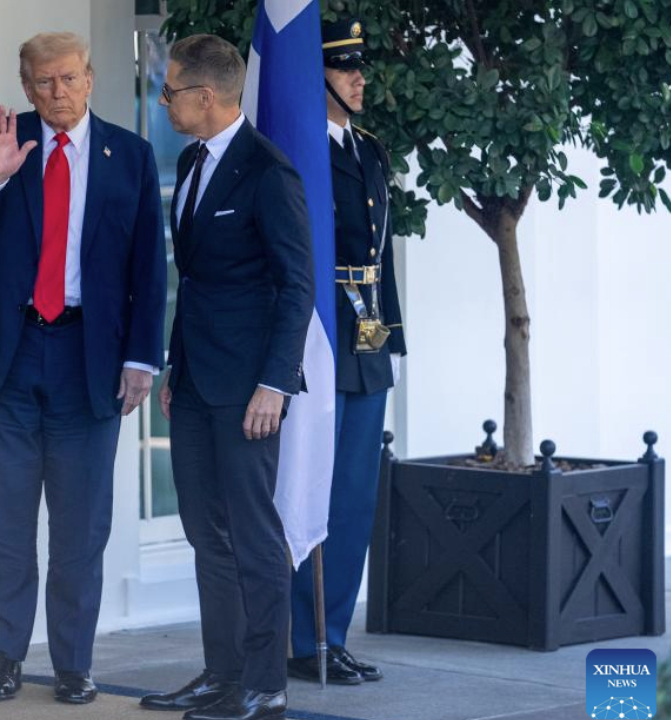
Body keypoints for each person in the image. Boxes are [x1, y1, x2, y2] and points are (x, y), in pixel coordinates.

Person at [0, 31, 166, 706]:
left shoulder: (130, 155)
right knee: (4, 522)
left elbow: (149, 270)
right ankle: (3, 660)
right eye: (42, 82)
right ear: (27, 85)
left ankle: (73, 664)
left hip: (88, 358)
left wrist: (141, 359)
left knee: (80, 526)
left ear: (91, 79)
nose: (56, 92)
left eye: (67, 78)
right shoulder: (2, 137)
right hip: (8, 354)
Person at [139, 34, 313, 720]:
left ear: (204, 96)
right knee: (204, 530)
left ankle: (265, 680)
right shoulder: (190, 161)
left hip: (249, 392)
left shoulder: (268, 172)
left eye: (171, 89)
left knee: (251, 532)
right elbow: (200, 283)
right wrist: (177, 366)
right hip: (198, 380)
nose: (164, 101)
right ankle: (223, 672)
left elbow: (296, 286)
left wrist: (275, 382)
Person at [287, 19, 407, 686]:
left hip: (361, 345)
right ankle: (301, 638)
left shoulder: (369, 151)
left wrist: (384, 342)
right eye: (345, 67)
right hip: (314, 340)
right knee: (311, 490)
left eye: (361, 66)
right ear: (317, 77)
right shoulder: (298, 153)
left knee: (354, 498)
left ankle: (332, 635)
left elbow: (378, 259)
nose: (361, 78)